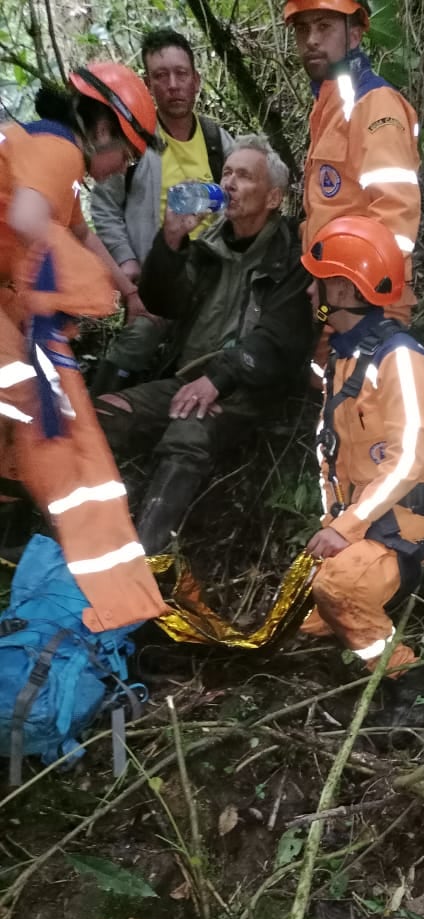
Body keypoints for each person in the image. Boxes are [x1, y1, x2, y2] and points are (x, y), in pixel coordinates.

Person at [0, 62, 167, 630]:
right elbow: (28, 218)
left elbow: (78, 232)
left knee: (27, 421)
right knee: (30, 404)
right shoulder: (58, 150)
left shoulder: (54, 158)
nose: (122, 167)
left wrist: (129, 295)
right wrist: (73, 293)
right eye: (126, 153)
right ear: (102, 129)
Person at [94, 135, 314, 556]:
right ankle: (72, 537)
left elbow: (279, 338)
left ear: (273, 197)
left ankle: (144, 560)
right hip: (186, 378)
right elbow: (163, 301)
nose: (229, 183)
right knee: (100, 416)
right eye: (226, 172)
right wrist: (172, 241)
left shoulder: (292, 255)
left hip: (246, 387)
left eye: (244, 176)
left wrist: (220, 377)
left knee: (188, 429)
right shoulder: (210, 244)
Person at [299, 215, 424, 728]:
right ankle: (352, 620)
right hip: (373, 512)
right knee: (314, 589)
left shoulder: (400, 360)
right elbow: (332, 455)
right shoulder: (343, 360)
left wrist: (345, 530)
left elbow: (410, 461)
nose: (310, 289)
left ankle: (408, 679)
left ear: (343, 289)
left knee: (339, 588)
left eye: (318, 278)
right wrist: (335, 525)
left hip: (418, 515)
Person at [90, 29, 233, 393]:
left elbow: (245, 198)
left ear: (196, 80)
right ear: (147, 85)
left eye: (181, 74)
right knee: (137, 342)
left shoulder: (218, 141)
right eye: (160, 76)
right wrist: (127, 268)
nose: (173, 85)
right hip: (157, 274)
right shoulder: (135, 142)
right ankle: (100, 412)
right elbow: (104, 208)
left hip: (215, 275)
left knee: (215, 354)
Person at [283, 0, 421, 330]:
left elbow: (396, 217)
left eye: (324, 26)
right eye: (303, 29)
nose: (311, 39)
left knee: (364, 382)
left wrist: (352, 293)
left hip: (366, 305)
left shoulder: (374, 104)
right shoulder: (329, 106)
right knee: (328, 381)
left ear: (355, 36)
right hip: (332, 297)